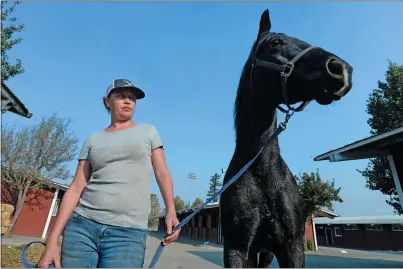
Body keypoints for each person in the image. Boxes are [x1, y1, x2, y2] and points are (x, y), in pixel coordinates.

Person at [38, 79, 180, 268]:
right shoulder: (93, 139)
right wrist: (52, 240)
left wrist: (171, 210)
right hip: (82, 228)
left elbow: (162, 172)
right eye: (121, 96)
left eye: (132, 98)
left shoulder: (148, 132)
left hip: (127, 234)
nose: (128, 101)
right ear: (107, 101)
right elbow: (75, 188)